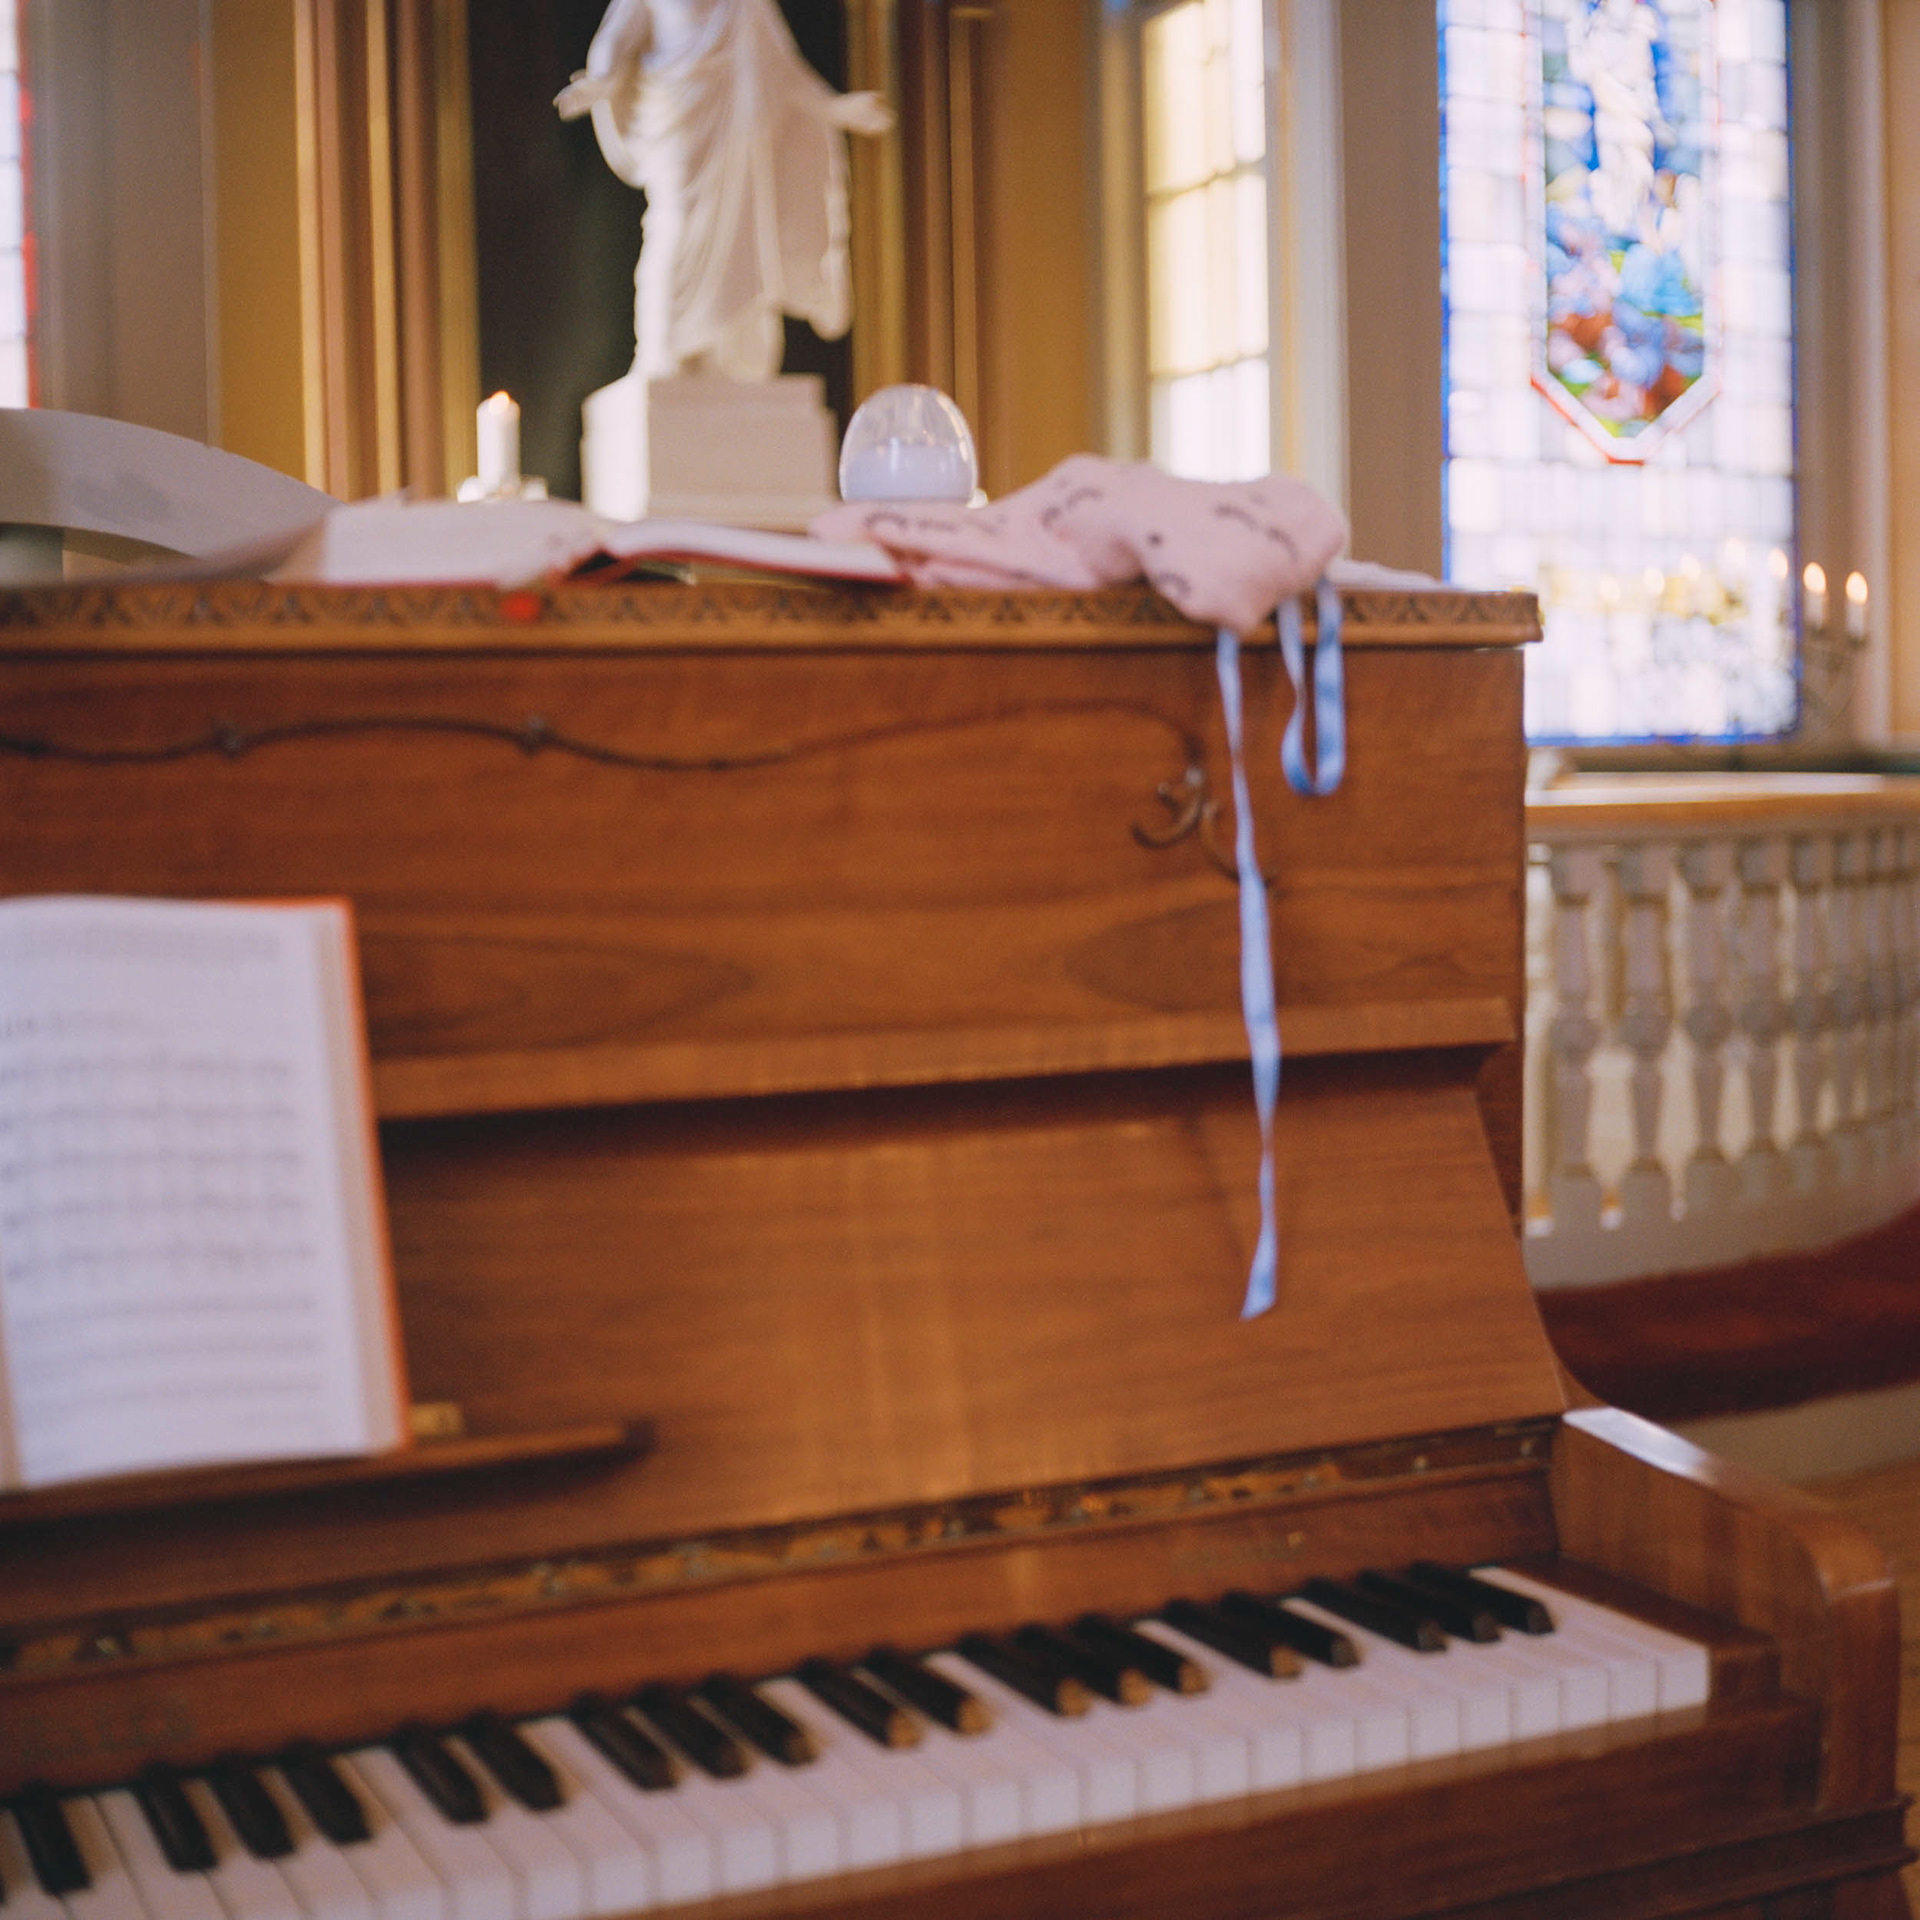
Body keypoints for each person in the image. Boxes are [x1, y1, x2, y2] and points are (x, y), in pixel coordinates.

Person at [556, 0, 893, 384]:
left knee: (744, 234)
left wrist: (836, 108)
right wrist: (601, 81)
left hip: (740, 132)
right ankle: (663, 345)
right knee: (676, 229)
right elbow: (613, 42)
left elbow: (781, 68)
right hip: (679, 122)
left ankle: (736, 353)